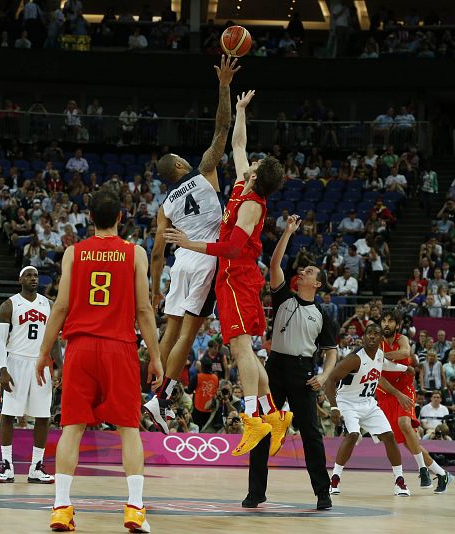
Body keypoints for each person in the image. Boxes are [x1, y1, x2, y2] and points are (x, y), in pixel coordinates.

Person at [164, 89, 291, 457]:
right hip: (230, 279)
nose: (247, 161)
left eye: (253, 163)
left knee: (240, 349)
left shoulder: (251, 204)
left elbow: (234, 249)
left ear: (255, 175)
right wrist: (240, 111)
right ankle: (276, 414)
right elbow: (238, 144)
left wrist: (190, 244)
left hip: (238, 276)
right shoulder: (241, 184)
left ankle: (253, 417)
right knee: (245, 351)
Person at [35, 190, 163, 532]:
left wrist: (44, 352)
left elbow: (60, 307)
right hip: (118, 347)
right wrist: (156, 356)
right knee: (129, 431)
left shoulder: (73, 253)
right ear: (120, 217)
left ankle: (61, 507)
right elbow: (143, 309)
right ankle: (134, 508)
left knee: (72, 429)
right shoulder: (135, 253)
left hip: (79, 347)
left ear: (90, 218)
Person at [145, 55, 240, 433]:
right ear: (182, 165)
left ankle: (156, 395)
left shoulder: (164, 204)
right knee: (189, 333)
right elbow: (222, 126)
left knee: (170, 331)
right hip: (203, 257)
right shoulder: (204, 171)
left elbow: (155, 252)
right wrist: (224, 85)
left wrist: (154, 289)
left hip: (179, 262)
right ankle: (162, 396)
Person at [243, 214, 338, 511]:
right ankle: (256, 492)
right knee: (262, 428)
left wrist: (323, 377)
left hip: (303, 372)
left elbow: (332, 352)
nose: (302, 272)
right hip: (274, 369)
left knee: (311, 433)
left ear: (317, 283)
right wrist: (287, 232)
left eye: (309, 271)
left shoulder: (323, 315)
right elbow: (274, 265)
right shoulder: (283, 295)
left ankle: (322, 493)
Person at [325, 323, 414, 497]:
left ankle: (399, 481)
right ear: (364, 337)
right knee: (353, 435)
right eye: (369, 333)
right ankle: (334, 478)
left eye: (376, 334)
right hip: (348, 402)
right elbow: (331, 380)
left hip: (368, 403)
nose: (372, 336)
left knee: (389, 436)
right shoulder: (355, 358)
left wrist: (405, 368)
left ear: (381, 338)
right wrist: (334, 407)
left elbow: (386, 365)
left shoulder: (379, 355)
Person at [0, 266, 58, 484]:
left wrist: (60, 367)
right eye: (29, 275)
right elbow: (0, 342)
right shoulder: (9, 305)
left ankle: (36, 467)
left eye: (36, 276)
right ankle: (7, 465)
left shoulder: (48, 304)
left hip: (41, 362)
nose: (33, 279)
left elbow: (54, 338)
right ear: (20, 279)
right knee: (9, 414)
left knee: (42, 416)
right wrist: (2, 369)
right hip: (16, 361)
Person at [375, 311, 453, 493]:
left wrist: (382, 357)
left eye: (390, 321)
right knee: (408, 444)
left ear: (397, 324)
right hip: (386, 393)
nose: (386, 324)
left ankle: (423, 470)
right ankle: (442, 474)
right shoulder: (376, 343)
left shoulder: (401, 339)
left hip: (405, 388)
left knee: (405, 423)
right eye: (383, 321)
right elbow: (379, 377)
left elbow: (405, 352)